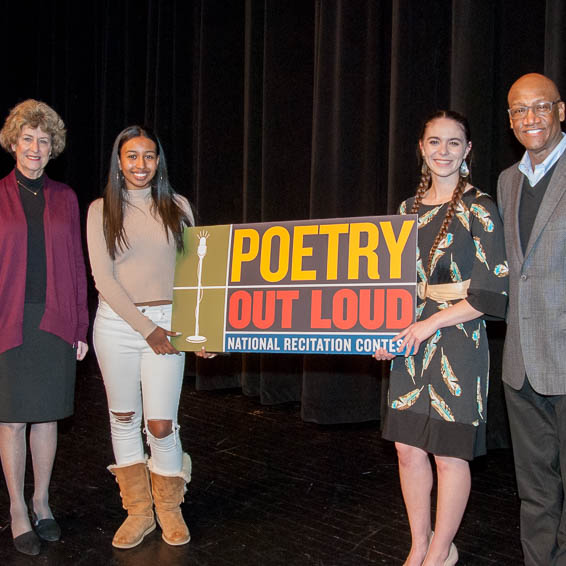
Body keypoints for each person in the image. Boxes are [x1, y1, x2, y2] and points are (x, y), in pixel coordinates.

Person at [374, 110, 508, 566]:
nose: (443, 152)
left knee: (450, 454)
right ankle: (419, 543)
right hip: (410, 338)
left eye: (454, 143)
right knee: (408, 449)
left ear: (468, 151)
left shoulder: (480, 207)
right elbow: (393, 287)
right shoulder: (406, 211)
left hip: (460, 338)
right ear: (421, 147)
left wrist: (431, 323)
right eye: (435, 142)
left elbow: (492, 294)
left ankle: (440, 550)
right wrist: (379, 335)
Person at [87, 125, 211, 549]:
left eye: (149, 156)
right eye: (132, 156)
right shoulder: (100, 210)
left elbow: (196, 276)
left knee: (161, 424)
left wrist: (201, 330)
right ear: (119, 164)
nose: (141, 164)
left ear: (158, 163)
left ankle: (170, 508)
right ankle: (139, 512)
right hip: (117, 324)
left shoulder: (178, 206)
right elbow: (103, 279)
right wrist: (147, 330)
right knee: (123, 419)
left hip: (168, 324)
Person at [0, 100, 89, 556]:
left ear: (52, 147)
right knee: (13, 419)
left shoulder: (66, 198)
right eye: (28, 139)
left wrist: (80, 325)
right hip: (9, 321)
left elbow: (76, 264)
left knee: (47, 417)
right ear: (14, 142)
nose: (35, 148)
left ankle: (42, 501)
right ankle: (17, 508)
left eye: (44, 140)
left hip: (54, 320)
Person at [498, 73, 566, 566]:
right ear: (510, 120)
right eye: (520, 111)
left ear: (561, 111)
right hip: (520, 360)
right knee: (535, 487)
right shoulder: (507, 180)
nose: (530, 118)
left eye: (540, 107)